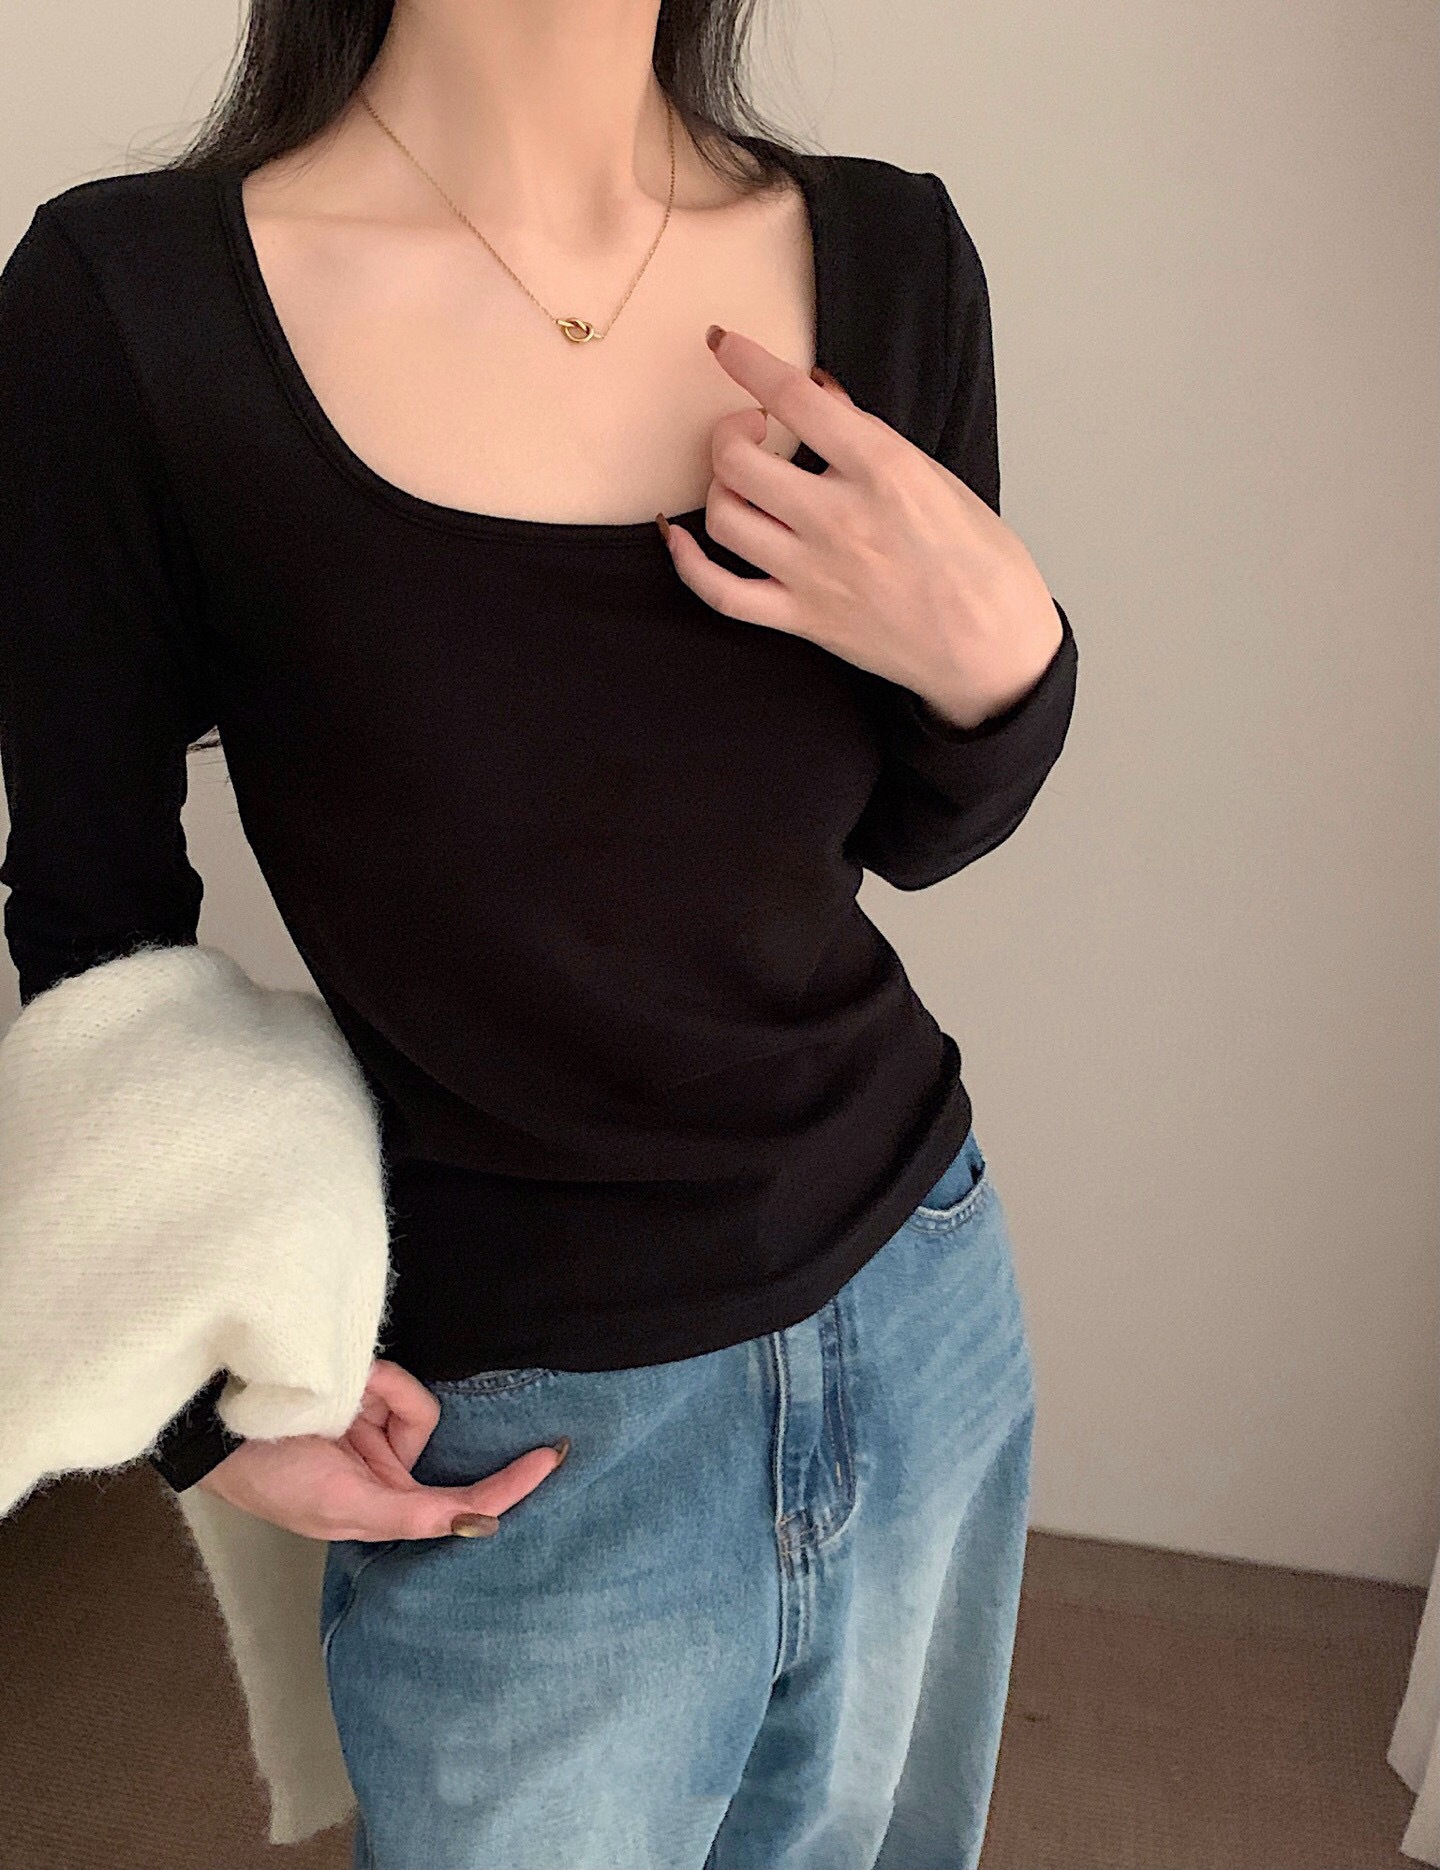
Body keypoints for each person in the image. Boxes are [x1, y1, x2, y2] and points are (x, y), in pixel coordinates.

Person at [0, 1, 1078, 1865]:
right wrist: (193, 1397)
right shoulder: (131, 305)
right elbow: (98, 922)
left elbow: (920, 827)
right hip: (525, 1425)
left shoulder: (894, 257)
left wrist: (1012, 664)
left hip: (924, 1308)